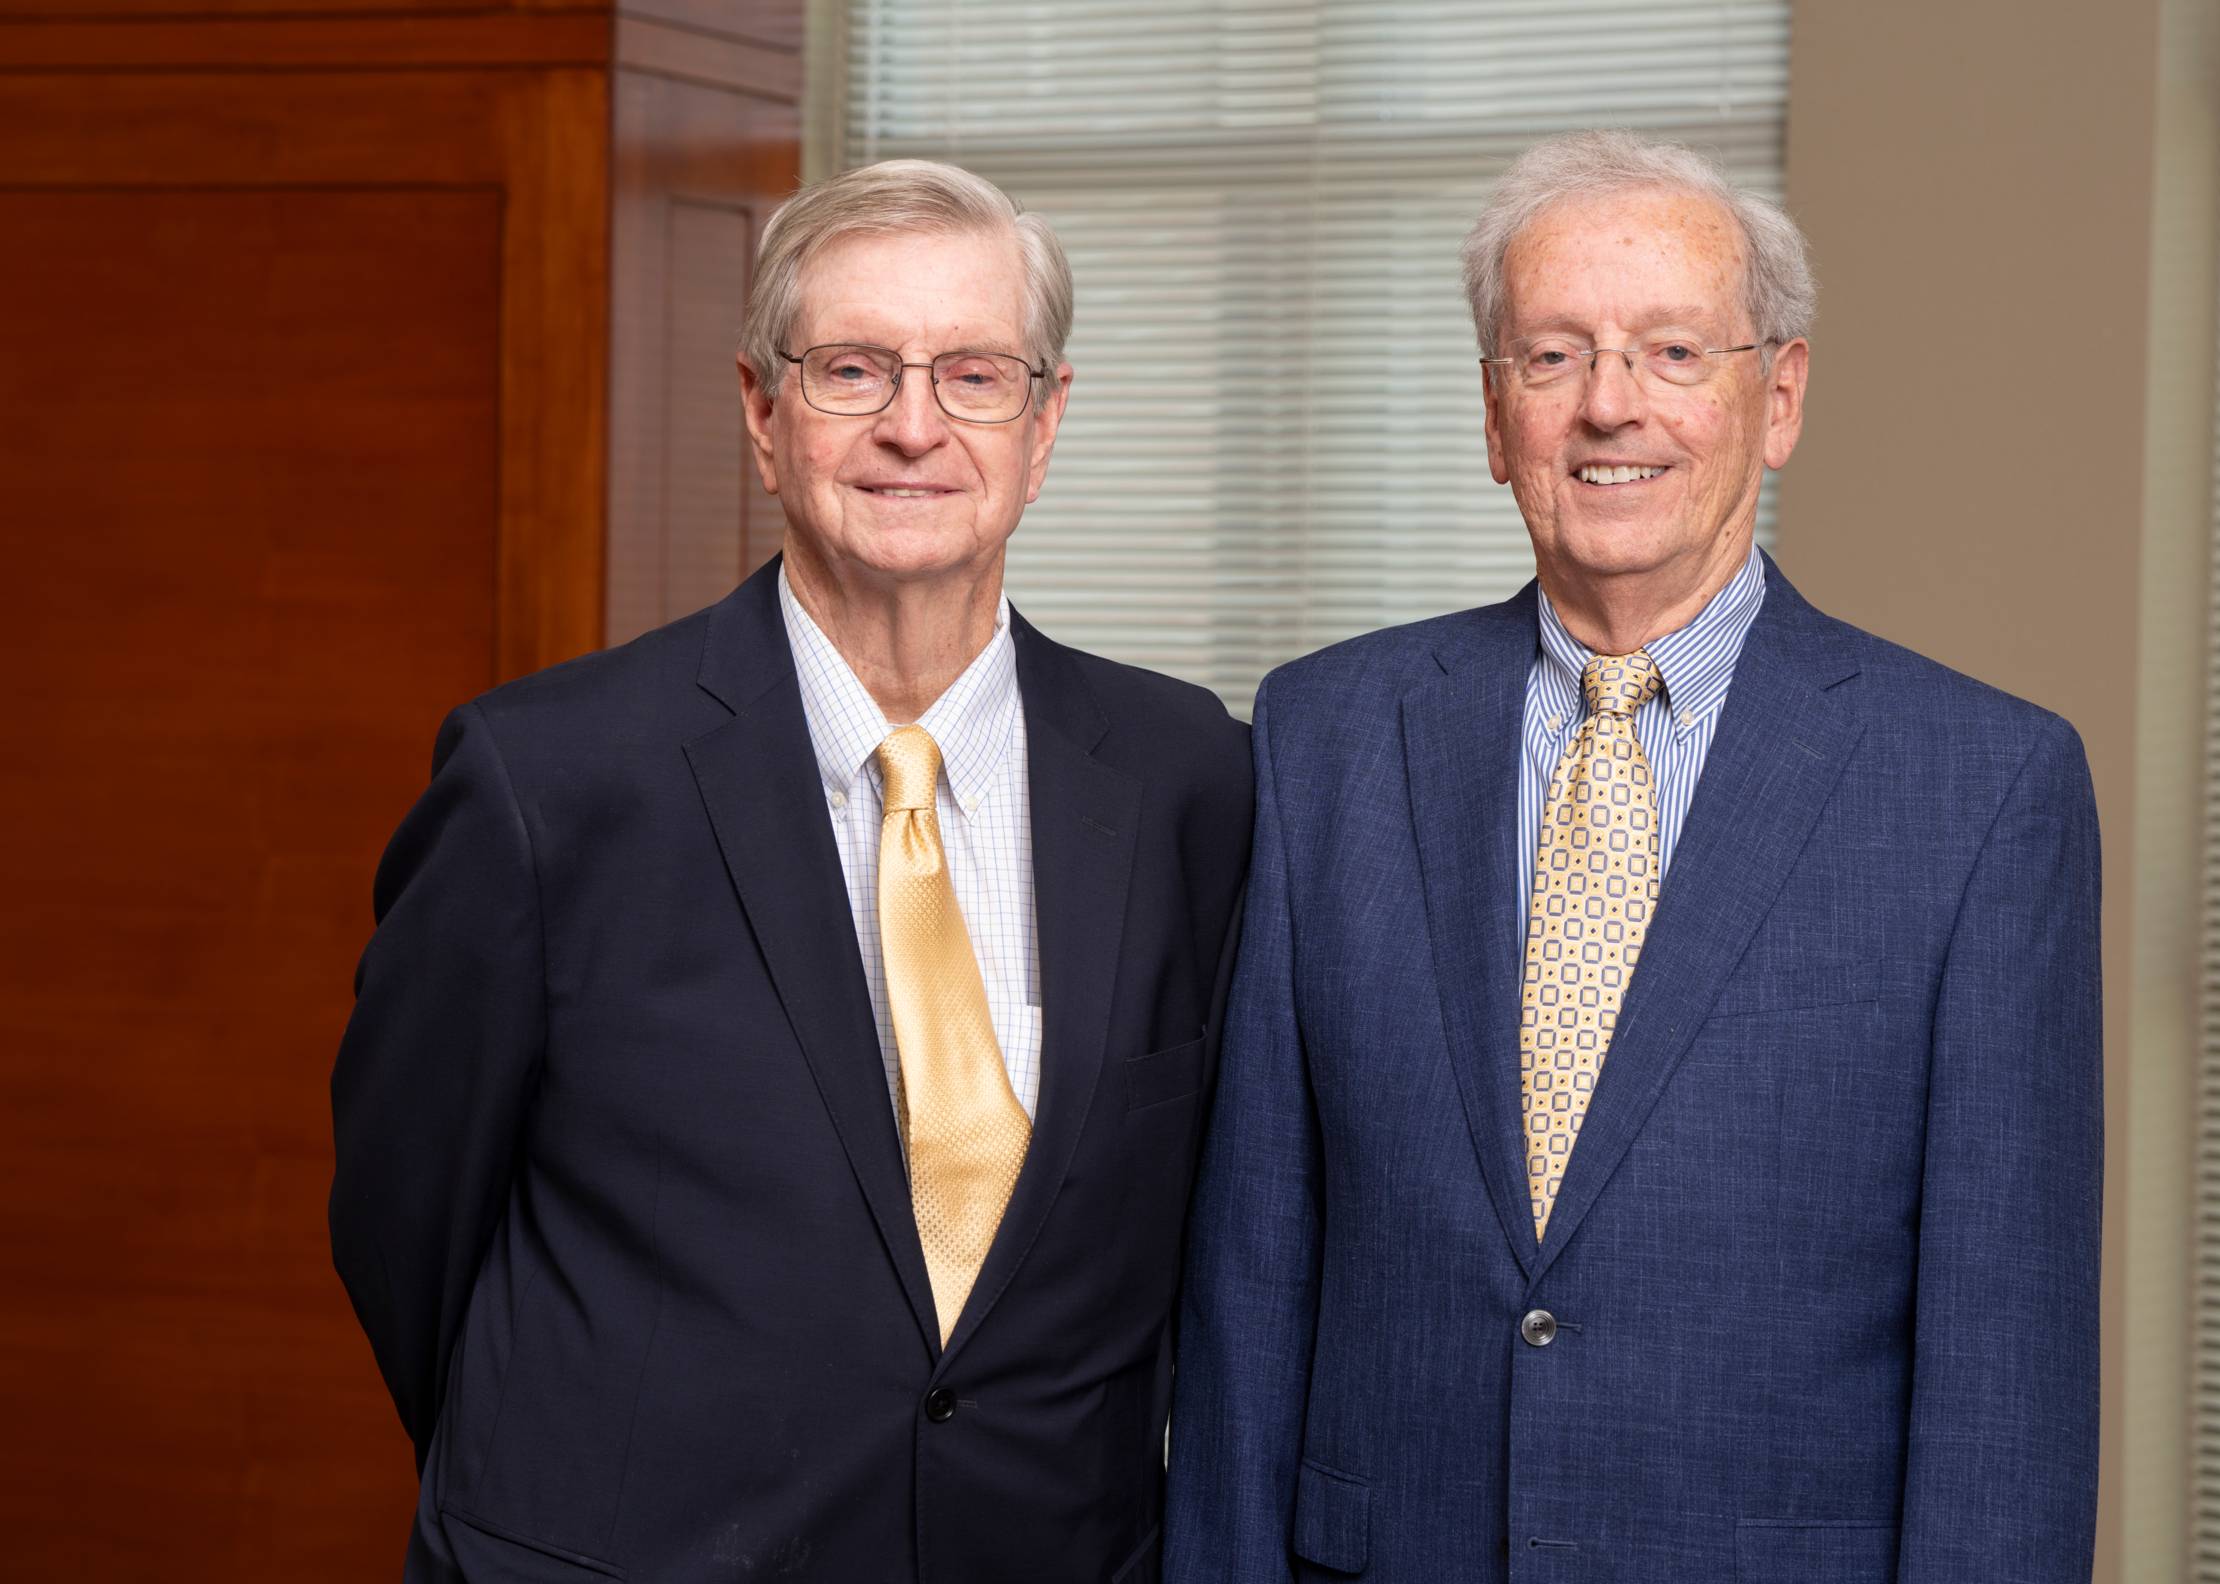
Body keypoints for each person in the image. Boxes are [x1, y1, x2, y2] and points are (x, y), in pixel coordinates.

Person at [1164, 129, 2101, 1582]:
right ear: (1493, 415)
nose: (1611, 408)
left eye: (1674, 351)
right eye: (1552, 358)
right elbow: (1252, 1272)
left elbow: (2008, 1380)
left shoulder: (1983, 788)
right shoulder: (1324, 734)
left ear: (1777, 397)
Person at [331, 159, 1252, 1584]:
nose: (912, 427)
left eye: (974, 375)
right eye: (852, 371)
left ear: (1047, 422)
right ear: (763, 415)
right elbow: (410, 1227)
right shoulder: (548, 782)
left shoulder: (1187, 776)